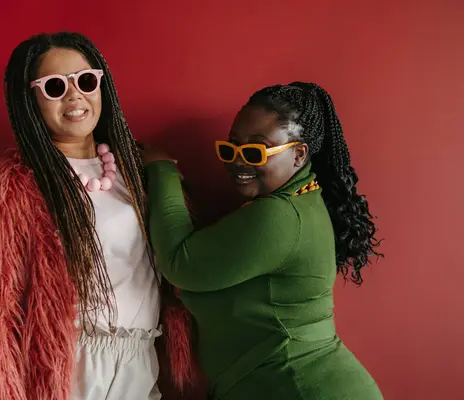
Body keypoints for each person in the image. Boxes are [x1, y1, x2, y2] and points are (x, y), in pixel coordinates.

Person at [0, 31, 202, 400]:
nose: (74, 95)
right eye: (54, 86)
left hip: (139, 355)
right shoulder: (11, 187)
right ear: (30, 98)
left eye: (86, 80)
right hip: (66, 367)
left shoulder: (137, 171)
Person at [142, 82, 383, 399]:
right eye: (231, 148)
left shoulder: (281, 217)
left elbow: (180, 263)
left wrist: (162, 171)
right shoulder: (299, 201)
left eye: (255, 150)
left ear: (298, 154)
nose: (238, 161)